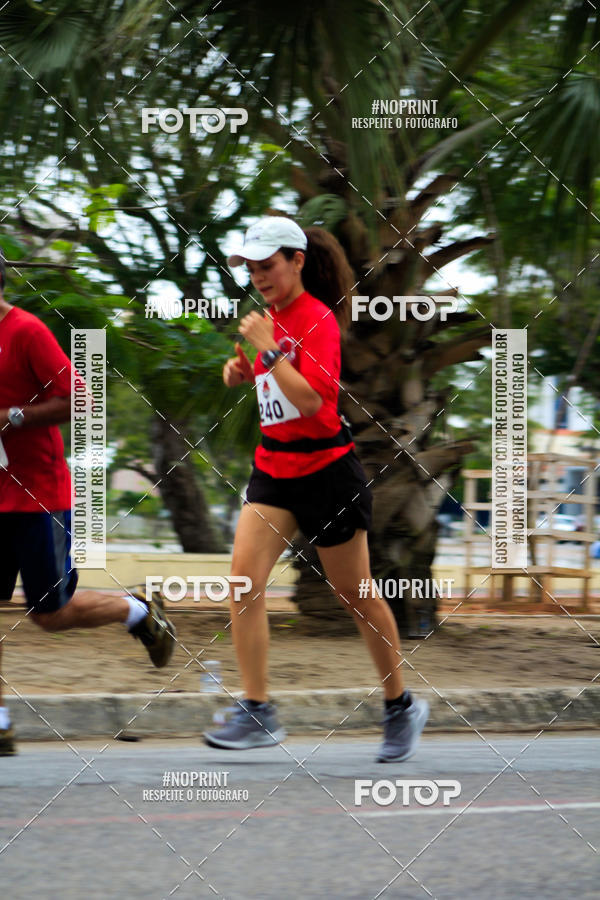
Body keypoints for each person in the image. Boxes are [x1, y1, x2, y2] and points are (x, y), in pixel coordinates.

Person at [203, 216, 429, 762]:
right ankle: (258, 710)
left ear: (297, 261)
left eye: (267, 266)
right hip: (274, 470)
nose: (259, 277)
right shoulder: (266, 322)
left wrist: (268, 351)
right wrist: (242, 370)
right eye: (251, 269)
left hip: (327, 474)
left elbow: (311, 402)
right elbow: (274, 390)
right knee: (243, 584)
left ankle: (400, 706)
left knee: (355, 594)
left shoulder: (317, 319)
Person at [0, 251, 176, 756]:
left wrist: (11, 417)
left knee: (49, 614)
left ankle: (137, 610)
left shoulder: (27, 332)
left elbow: (81, 399)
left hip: (38, 496)